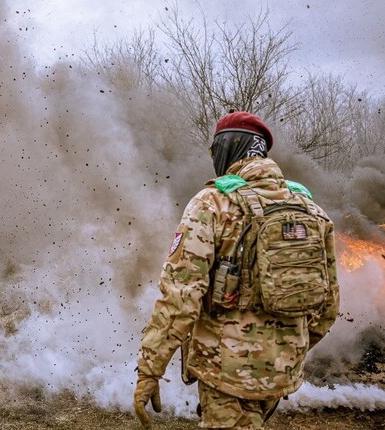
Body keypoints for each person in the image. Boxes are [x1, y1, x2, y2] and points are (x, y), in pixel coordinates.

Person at [134, 112, 340, 429]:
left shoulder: (213, 203)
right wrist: (285, 349)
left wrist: (150, 368)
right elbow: (328, 307)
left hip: (225, 373)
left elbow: (181, 296)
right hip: (282, 371)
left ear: (228, 147)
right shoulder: (311, 209)